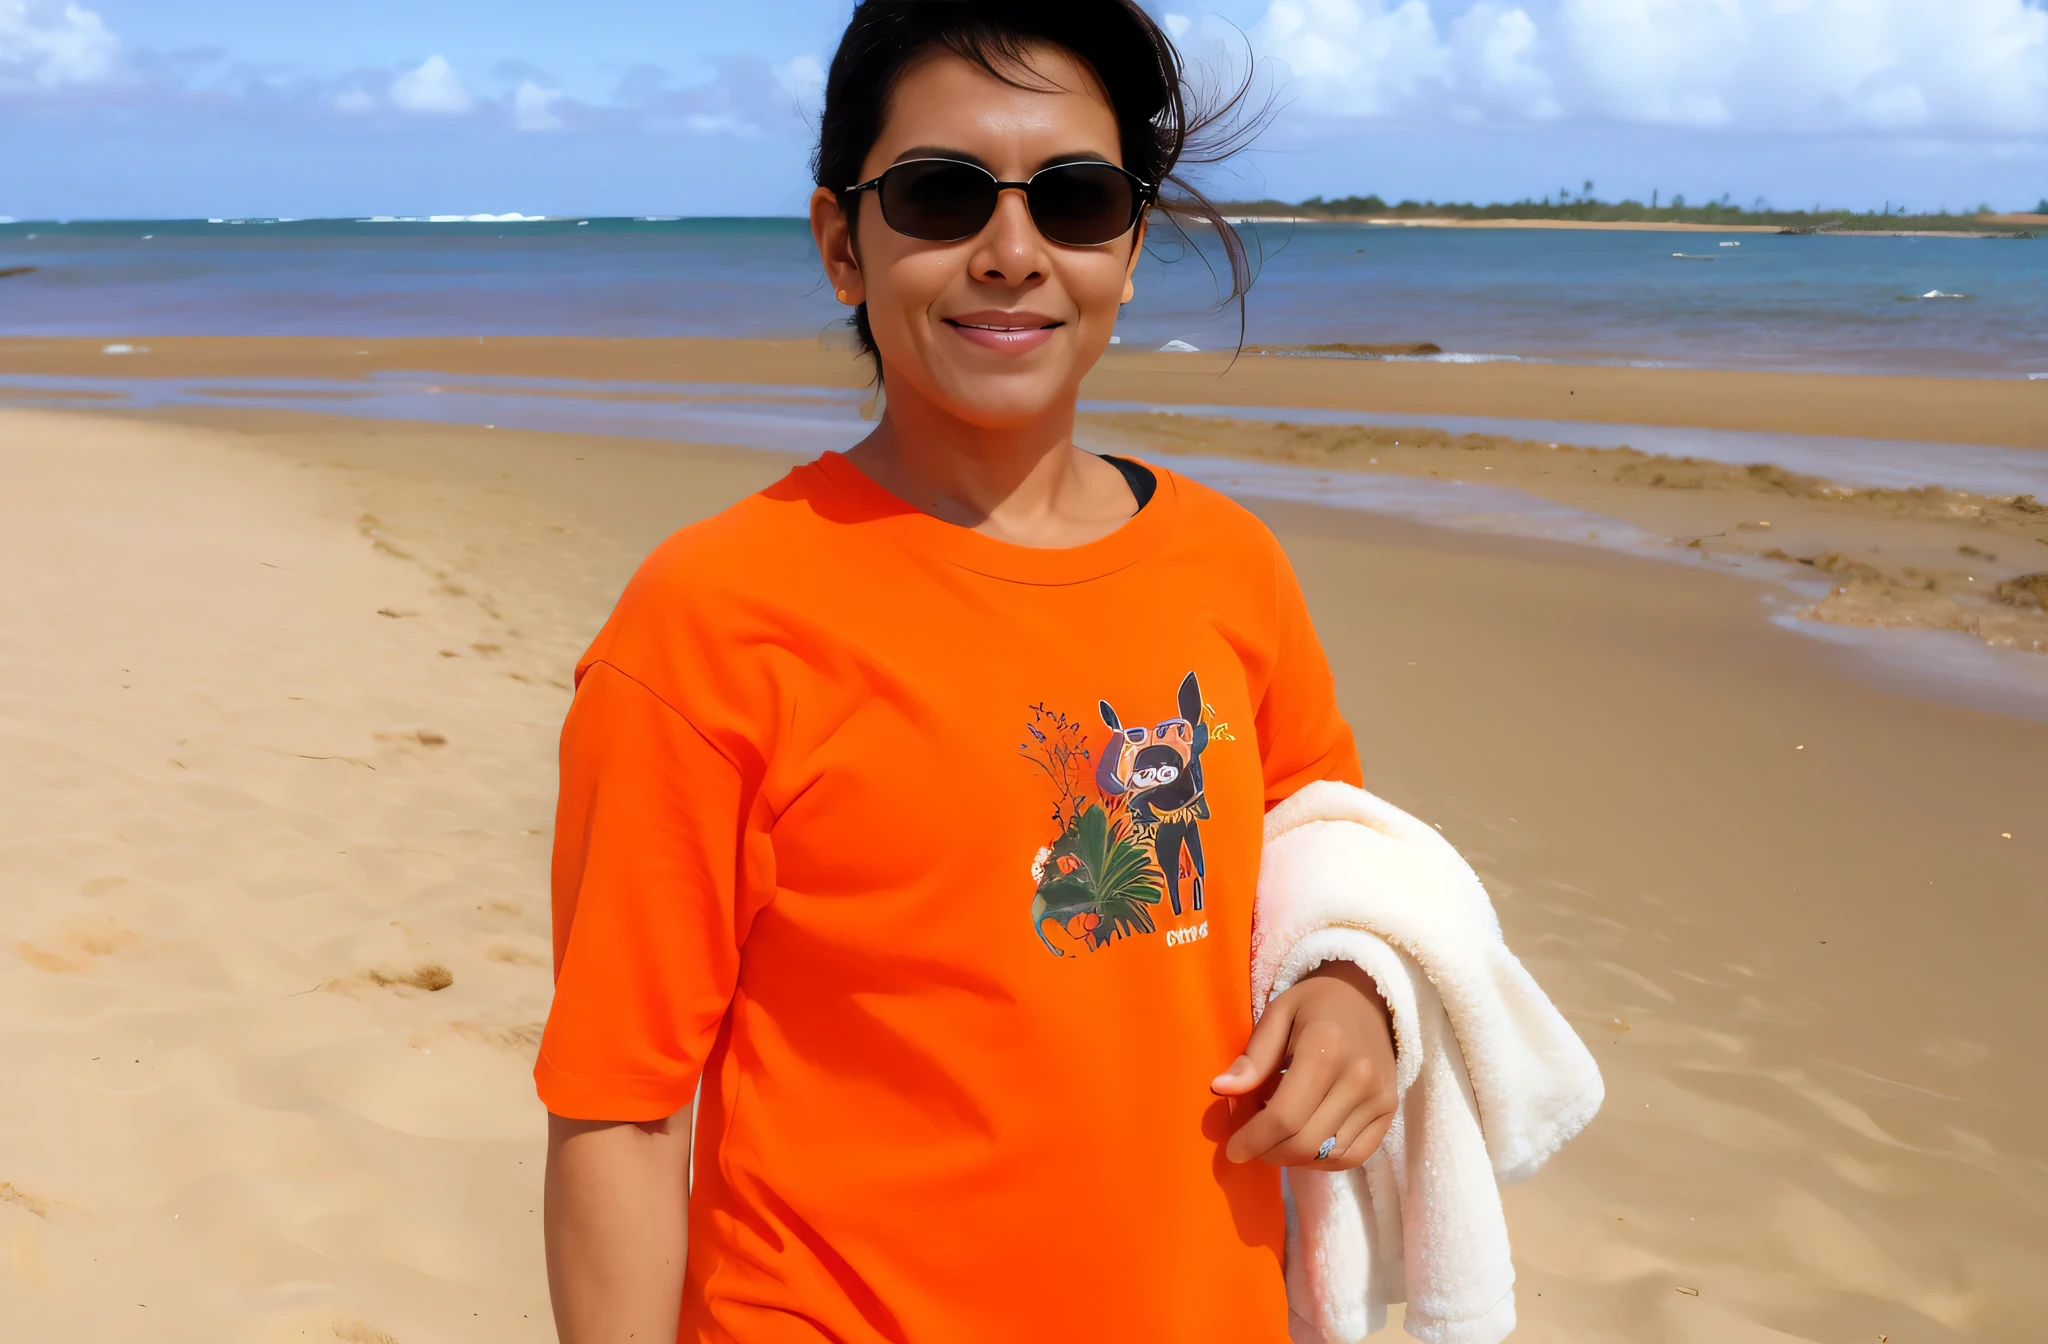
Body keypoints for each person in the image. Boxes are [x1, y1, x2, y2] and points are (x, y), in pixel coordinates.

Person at [537, 3, 1399, 1340]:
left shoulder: (1231, 568)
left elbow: (1329, 852)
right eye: (942, 198)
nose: (1012, 254)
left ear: (1126, 242)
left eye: (1075, 199)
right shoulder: (712, 619)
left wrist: (1354, 993)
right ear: (843, 244)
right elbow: (620, 1106)